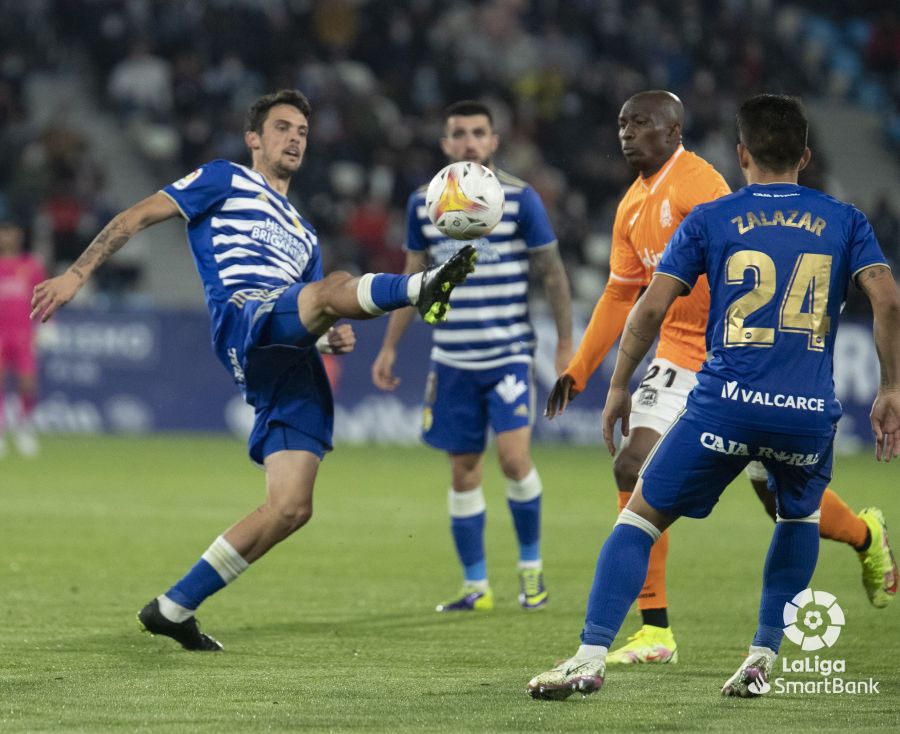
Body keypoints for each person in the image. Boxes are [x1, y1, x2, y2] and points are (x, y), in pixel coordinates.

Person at [31, 89, 477, 651]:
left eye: (302, 133)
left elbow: (318, 300)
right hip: (246, 316)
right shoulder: (223, 178)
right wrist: (76, 274)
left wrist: (330, 329)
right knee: (333, 284)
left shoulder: (305, 234)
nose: (294, 139)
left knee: (292, 506)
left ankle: (173, 607)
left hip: (288, 352)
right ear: (254, 139)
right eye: (283, 128)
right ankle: (420, 286)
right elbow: (137, 215)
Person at [527, 93, 900, 700]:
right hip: (807, 413)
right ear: (806, 155)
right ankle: (760, 657)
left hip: (725, 400)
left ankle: (590, 655)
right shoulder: (847, 219)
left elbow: (649, 306)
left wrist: (618, 383)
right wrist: (890, 388)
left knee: (639, 516)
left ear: (741, 154)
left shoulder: (712, 213)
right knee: (794, 516)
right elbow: (887, 300)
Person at [371, 100, 573, 612]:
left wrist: (568, 344)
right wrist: (390, 345)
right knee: (463, 470)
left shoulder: (521, 199)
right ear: (445, 145)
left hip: (507, 355)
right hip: (452, 359)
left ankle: (531, 572)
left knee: (513, 459)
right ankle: (476, 586)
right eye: (458, 133)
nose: (468, 142)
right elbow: (410, 277)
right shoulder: (424, 202)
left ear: (493, 141)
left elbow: (551, 272)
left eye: (478, 132)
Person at [0, 221, 46, 458]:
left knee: (27, 383)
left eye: (12, 232)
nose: (8, 237)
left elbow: (43, 296)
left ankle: (24, 427)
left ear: (19, 235)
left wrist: (46, 326)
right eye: (4, 233)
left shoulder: (31, 265)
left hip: (23, 333)